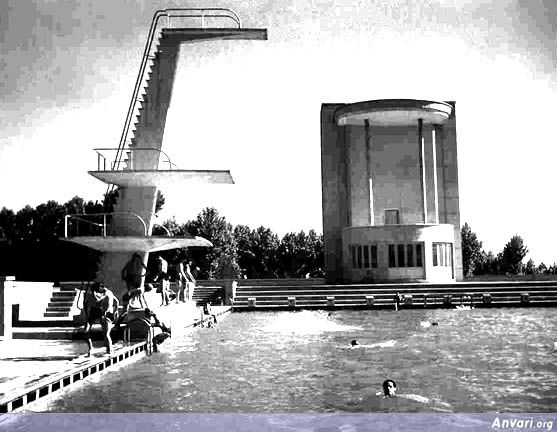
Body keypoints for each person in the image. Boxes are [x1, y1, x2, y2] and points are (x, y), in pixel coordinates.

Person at [83, 282, 119, 356]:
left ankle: (109, 350)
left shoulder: (108, 293)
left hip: (106, 313)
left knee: (106, 334)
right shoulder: (92, 294)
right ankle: (91, 348)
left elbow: (116, 301)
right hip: (95, 311)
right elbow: (86, 304)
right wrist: (86, 313)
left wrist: (115, 311)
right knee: (86, 330)